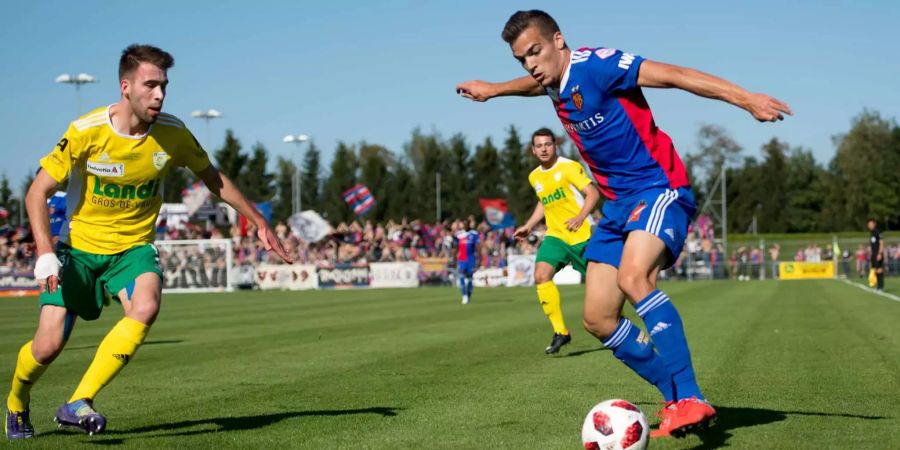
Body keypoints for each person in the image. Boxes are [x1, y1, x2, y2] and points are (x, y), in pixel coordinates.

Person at [456, 10, 790, 438]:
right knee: (597, 317)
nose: (531, 65)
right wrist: (494, 90)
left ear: (560, 40)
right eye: (522, 59)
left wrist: (745, 99)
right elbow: (532, 84)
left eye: (536, 52)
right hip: (616, 207)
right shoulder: (550, 82)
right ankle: (677, 399)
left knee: (635, 276)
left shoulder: (597, 65)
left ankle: (688, 396)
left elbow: (675, 74)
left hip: (657, 186)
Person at [5, 44, 291, 440]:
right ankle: (17, 401)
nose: (159, 94)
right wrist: (46, 255)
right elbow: (37, 192)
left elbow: (213, 177)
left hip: (133, 248)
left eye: (164, 86)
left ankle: (78, 401)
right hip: (78, 249)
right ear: (126, 86)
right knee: (48, 346)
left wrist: (257, 219)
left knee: (146, 305)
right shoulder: (86, 132)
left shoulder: (173, 133)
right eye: (150, 85)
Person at [513, 128, 599, 354]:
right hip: (556, 236)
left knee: (605, 286)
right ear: (533, 150)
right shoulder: (535, 176)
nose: (543, 148)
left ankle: (625, 321)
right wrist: (529, 225)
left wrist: (581, 217)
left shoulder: (568, 167)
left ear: (554, 146)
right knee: (541, 275)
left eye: (547, 144)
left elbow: (593, 194)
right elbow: (543, 201)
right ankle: (561, 331)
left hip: (582, 236)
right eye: (539, 145)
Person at [454, 219, 479, 304]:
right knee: (461, 276)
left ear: (469, 225)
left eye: (466, 224)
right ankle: (464, 295)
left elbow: (477, 247)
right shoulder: (459, 234)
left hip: (471, 259)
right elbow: (456, 247)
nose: (464, 226)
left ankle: (468, 294)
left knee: (470, 279)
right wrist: (455, 257)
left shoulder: (474, 234)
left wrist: (478, 259)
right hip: (462, 259)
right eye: (463, 224)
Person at [868, 218, 885, 291]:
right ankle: (878, 286)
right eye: (869, 224)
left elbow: (881, 243)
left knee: (879, 269)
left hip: (878, 253)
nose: (870, 225)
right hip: (873, 254)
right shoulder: (871, 233)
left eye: (871, 224)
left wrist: (880, 253)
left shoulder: (878, 231)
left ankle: (881, 287)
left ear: (875, 224)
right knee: (875, 269)